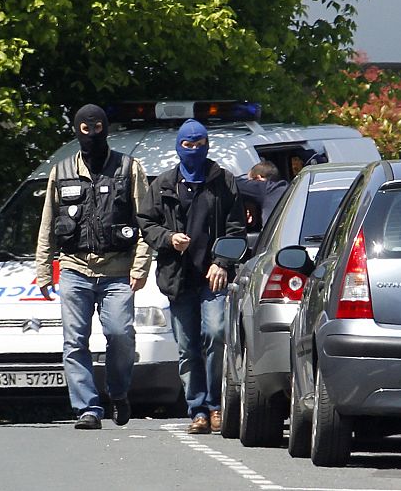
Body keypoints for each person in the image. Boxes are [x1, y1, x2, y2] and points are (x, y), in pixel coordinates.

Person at [36, 103, 151, 430]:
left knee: (120, 334)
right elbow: (47, 224)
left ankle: (118, 392)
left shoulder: (129, 168)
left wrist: (140, 266)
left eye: (97, 128)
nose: (91, 134)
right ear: (76, 130)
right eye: (84, 129)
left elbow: (147, 222)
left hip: (118, 271)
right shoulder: (61, 172)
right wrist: (44, 269)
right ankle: (87, 408)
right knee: (75, 341)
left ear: (106, 128)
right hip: (74, 268)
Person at [137, 119, 245, 434]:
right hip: (178, 278)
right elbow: (146, 223)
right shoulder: (165, 184)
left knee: (215, 334)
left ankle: (216, 406)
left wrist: (222, 261)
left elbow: (236, 227)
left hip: (213, 278)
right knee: (187, 347)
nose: (194, 150)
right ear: (179, 146)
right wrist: (168, 238)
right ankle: (197, 409)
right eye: (188, 144)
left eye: (200, 144)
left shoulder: (222, 180)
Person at [235, 160, 288, 226]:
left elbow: (232, 182)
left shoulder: (266, 189)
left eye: (250, 182)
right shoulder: (291, 189)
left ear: (258, 179)